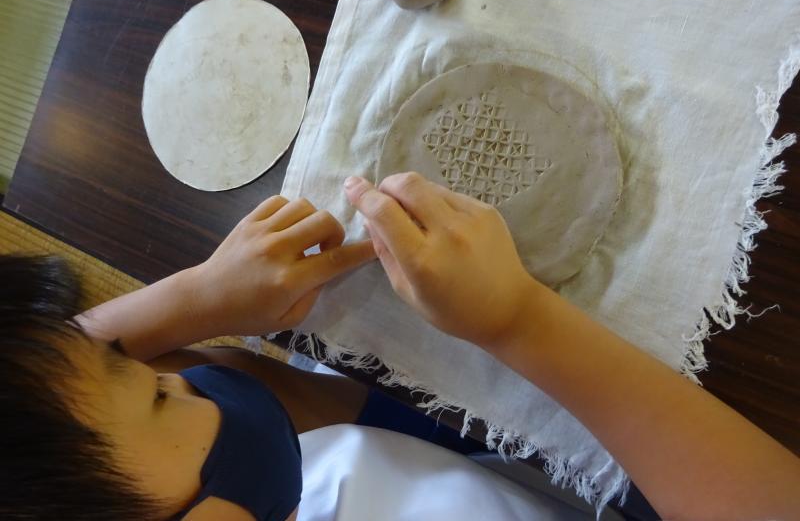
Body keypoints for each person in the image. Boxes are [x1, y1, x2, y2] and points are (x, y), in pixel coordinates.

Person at [1, 172, 798, 520]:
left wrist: (197, 296)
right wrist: (516, 320)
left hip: (416, 447)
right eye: (150, 391)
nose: (162, 370)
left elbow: (60, 385)